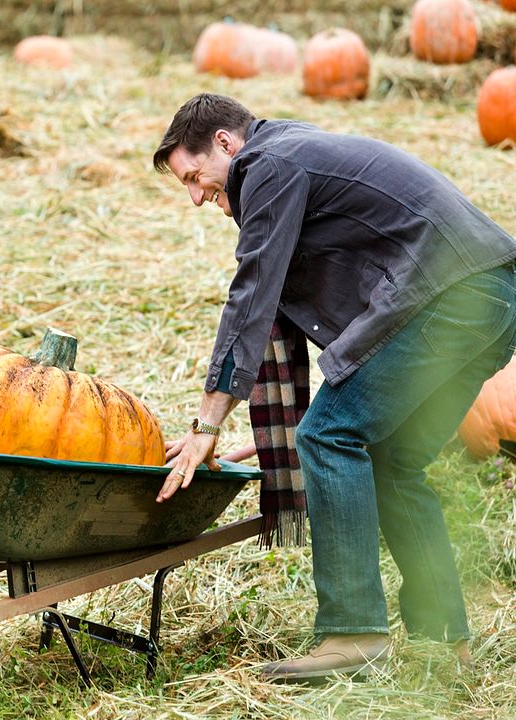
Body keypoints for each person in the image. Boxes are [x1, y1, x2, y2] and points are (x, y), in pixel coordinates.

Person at [151, 93, 516, 683]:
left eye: (195, 177)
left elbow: (251, 297)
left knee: (329, 436)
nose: (195, 196)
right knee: (393, 460)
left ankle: (353, 633)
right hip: (491, 299)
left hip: (450, 298)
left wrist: (206, 426)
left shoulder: (266, 165)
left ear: (225, 144)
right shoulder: (291, 151)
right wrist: (258, 434)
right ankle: (444, 640)